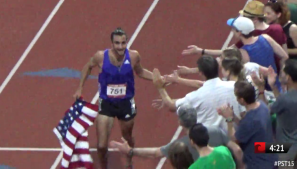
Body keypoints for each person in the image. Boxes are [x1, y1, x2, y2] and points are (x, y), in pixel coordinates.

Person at [73, 27, 164, 169]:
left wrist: (159, 79)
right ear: (112, 44)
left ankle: (129, 162)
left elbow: (140, 72)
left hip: (126, 103)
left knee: (127, 137)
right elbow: (87, 67)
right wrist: (80, 88)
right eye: (117, 43)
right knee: (102, 145)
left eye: (123, 43)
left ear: (126, 42)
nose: (120, 47)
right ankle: (104, 166)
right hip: (107, 103)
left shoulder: (134, 56)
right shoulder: (100, 56)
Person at [109, 103, 245, 169]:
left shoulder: (181, 148)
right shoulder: (222, 145)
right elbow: (238, 150)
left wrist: (130, 151)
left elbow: (156, 152)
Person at [217, 81, 278, 169]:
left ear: (242, 100)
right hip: (271, 158)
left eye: (236, 96)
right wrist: (233, 116)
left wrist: (229, 119)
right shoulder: (262, 106)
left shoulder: (250, 120)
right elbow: (247, 127)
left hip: (258, 164)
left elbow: (234, 139)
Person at [269, 59, 297, 164]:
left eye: (282, 72)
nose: (280, 73)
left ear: (288, 78)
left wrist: (261, 89)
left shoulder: (285, 99)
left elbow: (265, 113)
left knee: (257, 148)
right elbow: (282, 104)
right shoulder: (285, 99)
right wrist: (273, 87)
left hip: (284, 148)